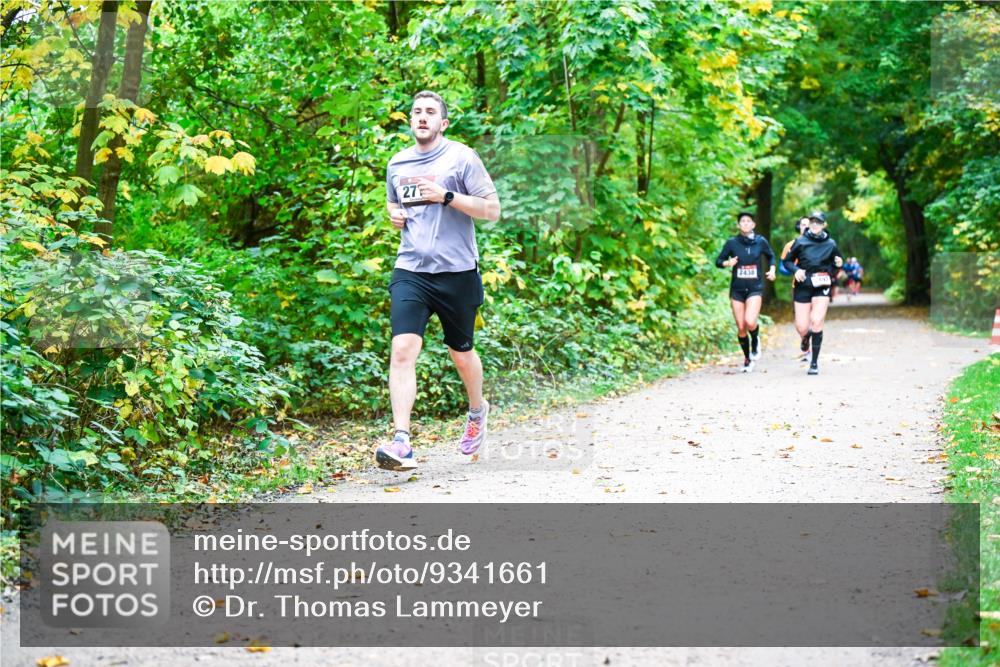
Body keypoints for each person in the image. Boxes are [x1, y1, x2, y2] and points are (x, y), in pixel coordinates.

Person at [375, 91, 501, 471]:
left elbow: (491, 210)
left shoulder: (461, 158)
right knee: (402, 349)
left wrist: (447, 196)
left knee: (460, 353)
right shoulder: (397, 162)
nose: (422, 117)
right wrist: (394, 214)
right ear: (410, 121)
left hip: (457, 272)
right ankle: (401, 442)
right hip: (411, 269)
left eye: (431, 112)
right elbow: (394, 203)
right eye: (417, 112)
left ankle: (477, 411)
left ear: (443, 123)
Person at [782, 211, 843, 375]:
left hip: (821, 285)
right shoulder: (800, 242)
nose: (815, 225)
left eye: (818, 222)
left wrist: (838, 263)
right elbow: (786, 261)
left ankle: (814, 363)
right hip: (803, 285)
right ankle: (805, 337)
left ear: (824, 225)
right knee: (802, 327)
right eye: (812, 222)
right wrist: (796, 270)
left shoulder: (831, 243)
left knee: (817, 321)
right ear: (809, 224)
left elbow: (837, 262)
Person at [715, 211, 776, 372]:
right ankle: (748, 359)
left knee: (750, 321)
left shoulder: (760, 241)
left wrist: (772, 270)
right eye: (743, 221)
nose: (746, 224)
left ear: (753, 225)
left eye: (749, 221)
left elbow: (771, 256)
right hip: (737, 290)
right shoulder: (732, 243)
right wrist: (728, 263)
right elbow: (718, 261)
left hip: (755, 288)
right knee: (741, 327)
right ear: (738, 225)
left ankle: (755, 339)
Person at [781, 217, 812, 360]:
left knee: (813, 318)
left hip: (817, 286)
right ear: (798, 227)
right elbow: (783, 267)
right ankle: (805, 338)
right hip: (798, 286)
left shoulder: (819, 244)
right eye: (803, 225)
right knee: (801, 323)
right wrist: (795, 269)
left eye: (809, 225)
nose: (806, 227)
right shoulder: (791, 245)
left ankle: (810, 351)